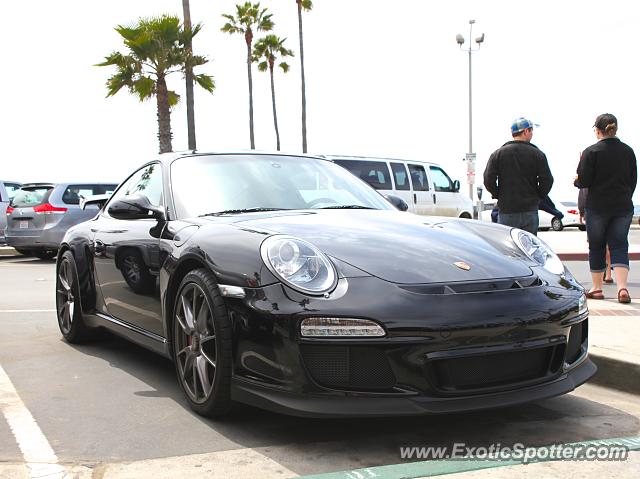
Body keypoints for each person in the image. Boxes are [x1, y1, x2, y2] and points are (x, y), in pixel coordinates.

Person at [575, 113, 637, 303]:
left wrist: (577, 181)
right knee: (619, 245)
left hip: (598, 206)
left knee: (597, 246)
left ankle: (597, 288)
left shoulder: (591, 152)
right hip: (622, 206)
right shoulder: (628, 151)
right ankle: (622, 288)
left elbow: (584, 180)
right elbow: (632, 181)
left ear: (598, 130)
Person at [484, 117, 554, 235]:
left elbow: (488, 179)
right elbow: (547, 180)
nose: (532, 134)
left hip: (507, 210)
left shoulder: (498, 154)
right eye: (531, 130)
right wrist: (538, 196)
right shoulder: (538, 154)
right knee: (528, 249)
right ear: (525, 131)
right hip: (529, 210)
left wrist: (498, 194)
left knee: (508, 248)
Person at [578, 187, 613, 283]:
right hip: (611, 210)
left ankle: (600, 275)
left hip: (594, 212)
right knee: (608, 245)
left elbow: (583, 195)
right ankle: (608, 274)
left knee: (596, 245)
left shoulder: (588, 175)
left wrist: (581, 212)